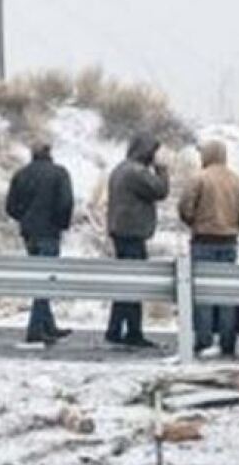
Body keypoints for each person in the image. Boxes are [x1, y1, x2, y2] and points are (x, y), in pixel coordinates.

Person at [178, 140, 239, 357]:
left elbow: (185, 207)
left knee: (203, 294)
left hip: (203, 240)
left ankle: (204, 340)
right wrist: (234, 225)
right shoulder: (238, 181)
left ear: (208, 155)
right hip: (229, 241)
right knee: (226, 293)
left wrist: (194, 222)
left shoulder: (199, 178)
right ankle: (227, 342)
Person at [6, 141, 75, 345]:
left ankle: (47, 325)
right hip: (49, 232)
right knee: (46, 280)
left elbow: (10, 206)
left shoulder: (21, 174)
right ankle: (36, 329)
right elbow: (66, 202)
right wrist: (60, 223)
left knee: (39, 278)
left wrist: (24, 219)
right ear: (49, 153)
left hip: (29, 233)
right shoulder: (59, 173)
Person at [104, 132, 169, 347]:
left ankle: (118, 329)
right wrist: (162, 170)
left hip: (121, 231)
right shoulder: (135, 172)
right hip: (132, 233)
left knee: (125, 283)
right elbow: (160, 190)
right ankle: (131, 331)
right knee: (134, 284)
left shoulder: (121, 169)